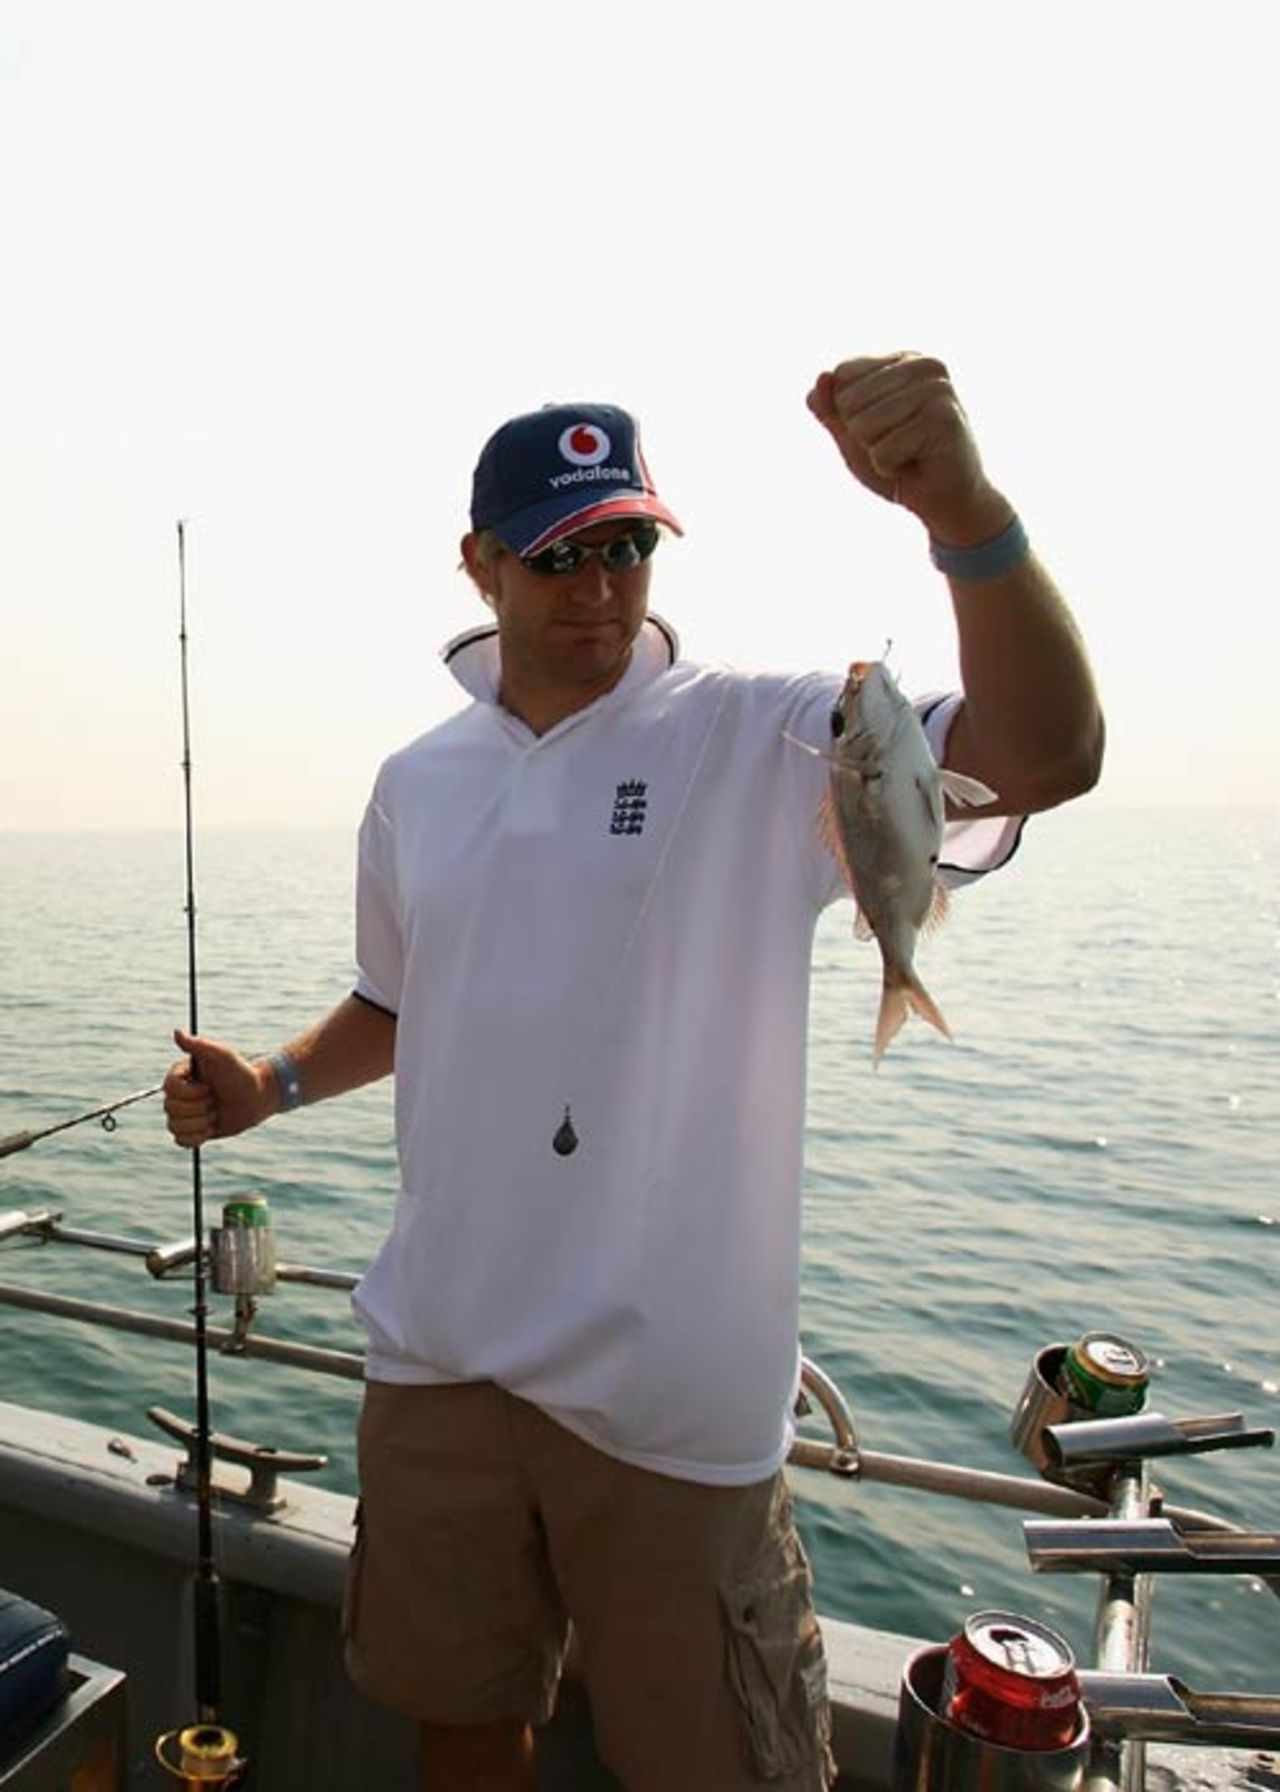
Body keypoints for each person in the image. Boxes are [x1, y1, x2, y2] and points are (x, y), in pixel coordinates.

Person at [164, 352, 1103, 1791]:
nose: (599, 587)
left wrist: (963, 517)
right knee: (464, 1722)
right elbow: (398, 999)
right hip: (441, 1362)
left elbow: (1050, 755)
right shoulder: (419, 781)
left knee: (715, 1765)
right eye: (558, 555)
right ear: (479, 565)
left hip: (676, 1403)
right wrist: (271, 1084)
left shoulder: (777, 731)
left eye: (626, 548)